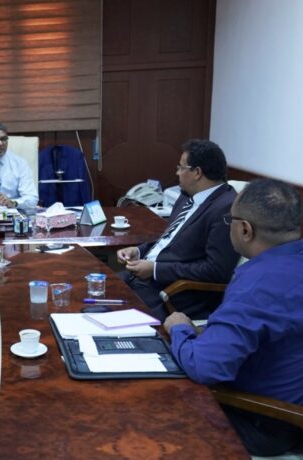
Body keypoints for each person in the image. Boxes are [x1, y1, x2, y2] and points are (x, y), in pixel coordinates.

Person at [164, 179, 303, 456]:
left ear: (245, 229)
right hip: (290, 410)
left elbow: (205, 367)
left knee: (155, 404)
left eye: (230, 219)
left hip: (263, 419)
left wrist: (179, 328)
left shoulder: (258, 284)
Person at [116, 139, 240, 320]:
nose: (177, 173)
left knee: (105, 312)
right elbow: (170, 240)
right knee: (89, 290)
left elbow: (216, 270)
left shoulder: (226, 208)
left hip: (173, 294)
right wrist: (138, 250)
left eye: (181, 168)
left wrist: (156, 270)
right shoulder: (187, 197)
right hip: (143, 279)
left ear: (197, 172)